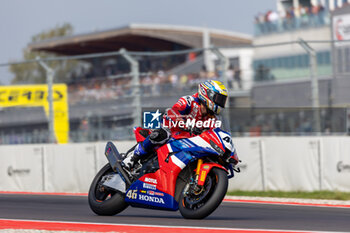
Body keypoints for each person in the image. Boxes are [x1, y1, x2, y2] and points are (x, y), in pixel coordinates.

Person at [123, 80, 228, 170]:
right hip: (174, 132)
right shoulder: (188, 101)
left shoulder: (213, 118)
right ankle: (133, 157)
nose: (220, 103)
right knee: (163, 133)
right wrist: (184, 123)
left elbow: (215, 135)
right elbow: (173, 111)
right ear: (207, 94)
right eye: (219, 99)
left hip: (189, 142)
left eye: (222, 100)